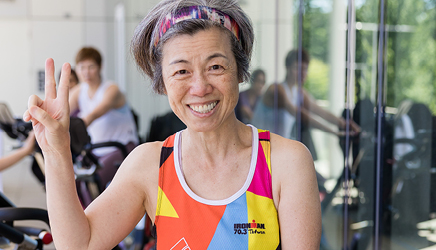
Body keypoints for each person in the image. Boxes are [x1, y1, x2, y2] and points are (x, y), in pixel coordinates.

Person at [23, 0, 321, 249]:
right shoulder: (151, 164)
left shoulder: (285, 162)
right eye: (181, 71)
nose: (200, 87)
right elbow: (80, 245)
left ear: (240, 71)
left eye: (216, 66)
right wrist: (56, 152)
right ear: (162, 83)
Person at [68, 47, 139, 191]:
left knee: (93, 178)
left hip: (121, 147)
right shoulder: (79, 91)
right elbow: (62, 111)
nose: (86, 72)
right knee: (71, 177)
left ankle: (93, 212)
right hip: (96, 150)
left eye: (91, 67)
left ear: (100, 67)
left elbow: (94, 114)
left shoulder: (111, 89)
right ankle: (84, 212)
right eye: (82, 68)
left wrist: (77, 127)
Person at [253, 49, 360, 144]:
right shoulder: (276, 89)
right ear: (287, 68)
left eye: (305, 69)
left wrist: (345, 124)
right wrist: (335, 132)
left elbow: (320, 112)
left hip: (274, 147)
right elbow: (301, 115)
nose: (302, 73)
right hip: (260, 146)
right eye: (297, 68)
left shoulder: (299, 92)